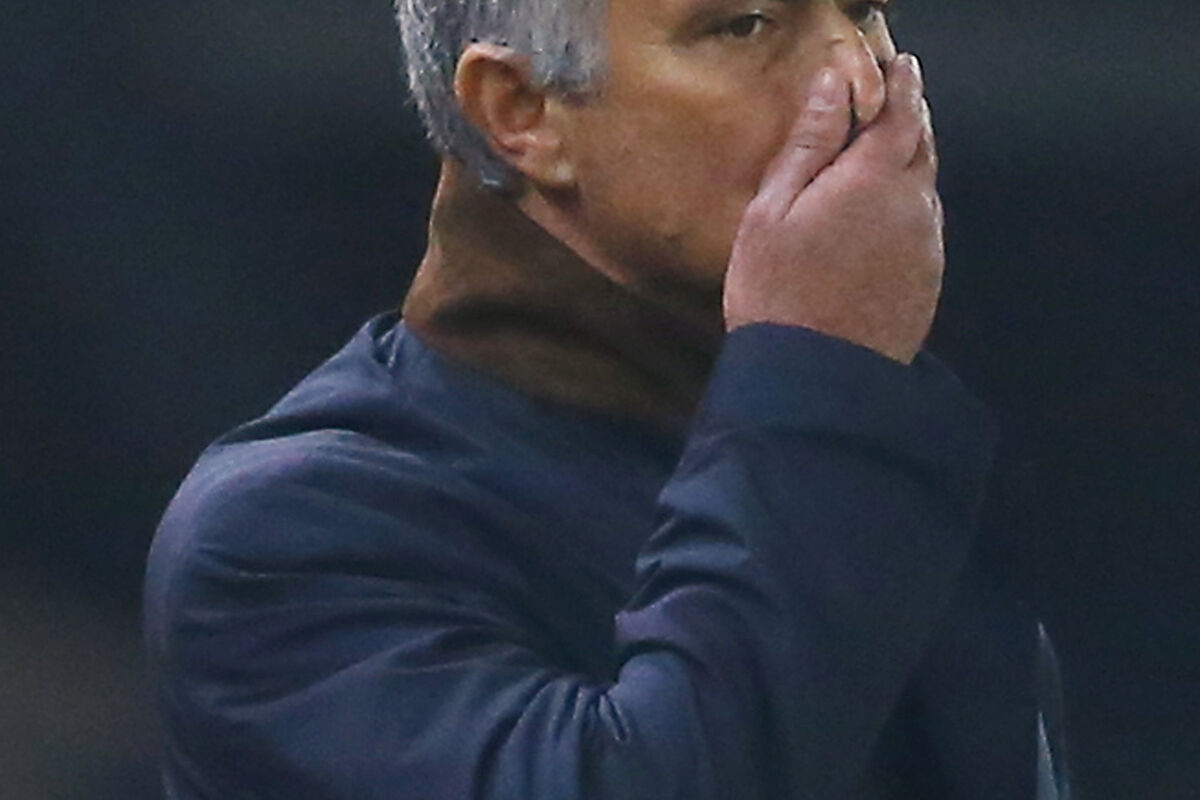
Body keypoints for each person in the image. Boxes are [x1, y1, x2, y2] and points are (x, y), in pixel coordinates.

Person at [144, 0, 1069, 797]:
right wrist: (818, 374)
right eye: (743, 25)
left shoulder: (857, 439)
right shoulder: (287, 541)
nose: (862, 80)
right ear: (521, 111)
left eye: (863, 11)